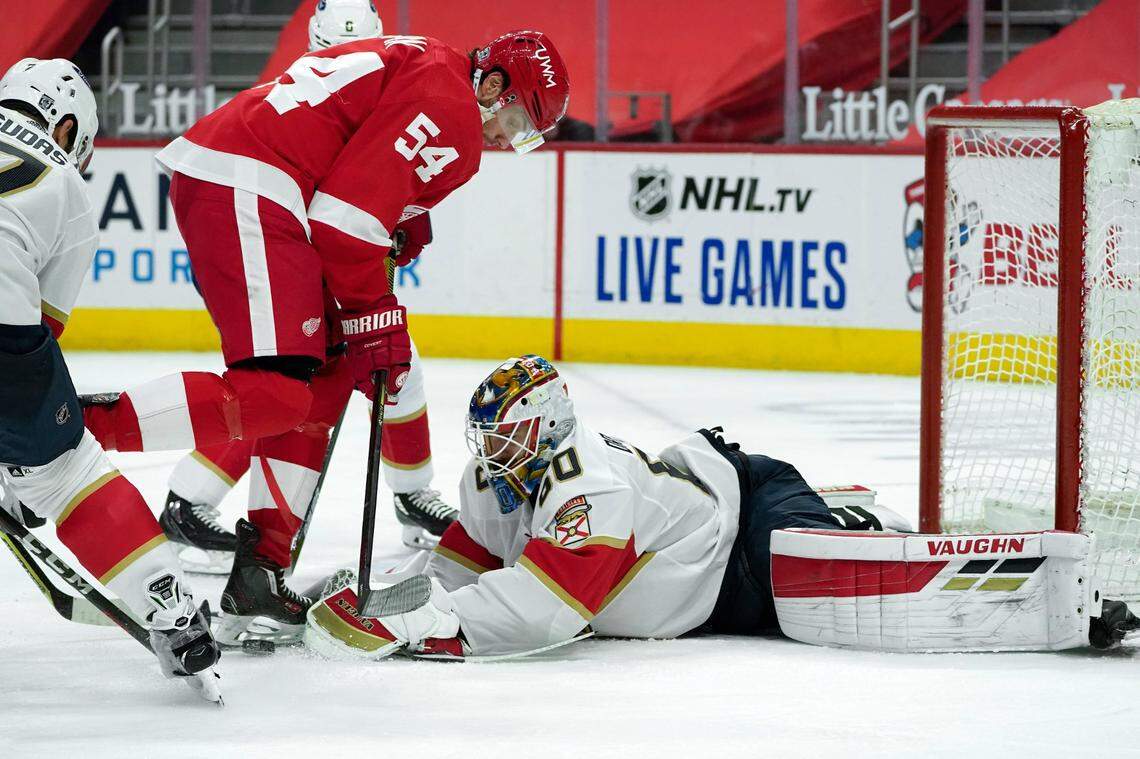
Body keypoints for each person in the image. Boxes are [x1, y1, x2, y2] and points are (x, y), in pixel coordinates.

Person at [82, 32, 570, 647]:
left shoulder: (433, 69)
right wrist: (376, 312)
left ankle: (261, 571)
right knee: (275, 394)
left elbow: (358, 161)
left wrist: (406, 222)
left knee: (326, 375)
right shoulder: (452, 105)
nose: (509, 138)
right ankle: (56, 436)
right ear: (495, 85)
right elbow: (345, 224)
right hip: (253, 180)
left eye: (529, 137)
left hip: (257, 177)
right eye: (518, 120)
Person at [305, 355, 1140, 659]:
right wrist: (388, 593)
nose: (493, 455)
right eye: (486, 438)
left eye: (507, 438)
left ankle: (1056, 594)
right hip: (705, 575)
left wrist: (425, 627)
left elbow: (546, 612)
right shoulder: (496, 480)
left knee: (828, 587)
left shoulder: (585, 487)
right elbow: (462, 565)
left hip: (746, 527)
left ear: (548, 428)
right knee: (800, 603)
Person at [158, 0, 454, 579]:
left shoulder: (361, 96)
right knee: (286, 384)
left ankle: (413, 496)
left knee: (390, 370)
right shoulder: (299, 102)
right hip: (272, 249)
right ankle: (189, 499)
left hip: (298, 255)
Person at [0, 59, 220, 692]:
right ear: (66, 127)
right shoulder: (65, 183)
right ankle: (172, 613)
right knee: (69, 475)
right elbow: (40, 330)